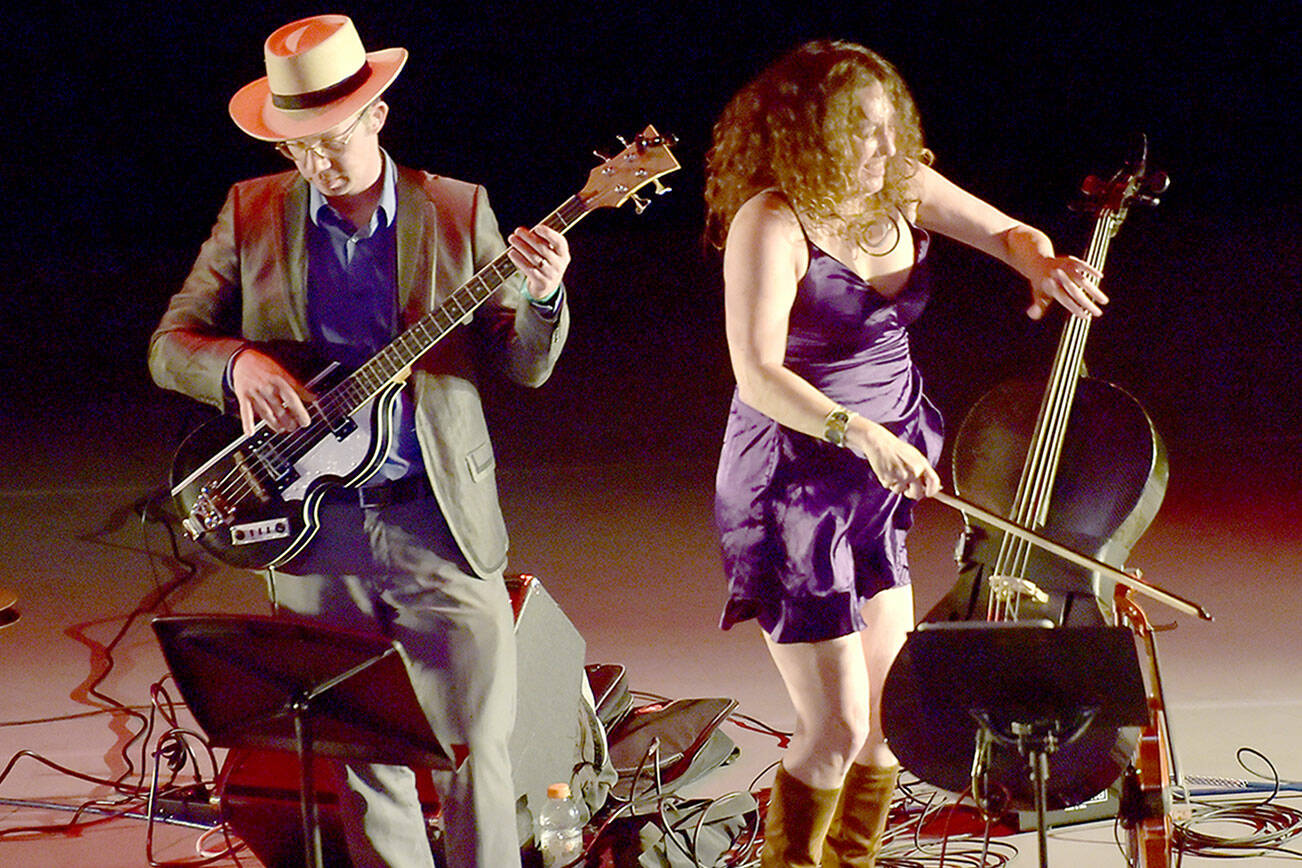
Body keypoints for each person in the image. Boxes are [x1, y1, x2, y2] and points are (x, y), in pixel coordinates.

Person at [149, 15, 571, 868]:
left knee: (475, 751)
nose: (315, 163)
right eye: (296, 147)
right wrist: (237, 365)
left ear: (377, 115)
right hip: (313, 529)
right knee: (361, 755)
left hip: (435, 520)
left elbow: (522, 364)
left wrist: (543, 297)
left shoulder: (455, 208)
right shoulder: (252, 210)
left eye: (331, 140)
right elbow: (170, 345)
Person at [703, 41, 1106, 866]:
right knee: (837, 729)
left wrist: (1042, 262)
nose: (888, 148)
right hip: (794, 486)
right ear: (809, 133)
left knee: (894, 722)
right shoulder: (771, 222)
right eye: (863, 130)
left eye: (892, 127)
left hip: (876, 480)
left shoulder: (900, 185)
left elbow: (1010, 232)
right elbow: (757, 372)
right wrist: (859, 433)